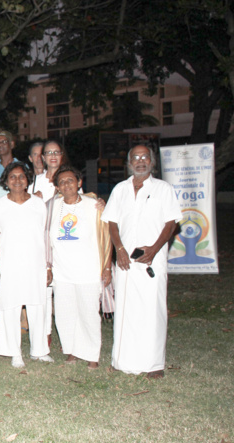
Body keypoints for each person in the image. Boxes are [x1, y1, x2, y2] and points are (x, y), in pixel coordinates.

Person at [101, 145, 180, 379]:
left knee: (152, 309)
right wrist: (119, 249)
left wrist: (154, 249)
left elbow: (171, 223)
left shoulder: (163, 189)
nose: (140, 161)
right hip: (125, 260)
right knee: (126, 309)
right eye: (135, 158)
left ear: (152, 162)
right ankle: (122, 361)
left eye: (145, 157)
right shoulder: (120, 189)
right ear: (129, 163)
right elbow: (112, 222)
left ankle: (154, 364)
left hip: (151, 260)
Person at [47, 165, 112, 369]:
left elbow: (106, 237)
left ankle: (92, 354)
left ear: (79, 183)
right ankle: (72, 352)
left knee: (89, 313)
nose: (66, 184)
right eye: (62, 182)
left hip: (89, 270)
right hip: (62, 271)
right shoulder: (52, 207)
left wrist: (107, 267)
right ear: (57, 186)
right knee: (66, 314)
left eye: (70, 180)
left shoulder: (94, 205)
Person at [0, 161, 50, 368]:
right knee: (10, 307)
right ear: (6, 180)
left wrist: (48, 265)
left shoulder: (38, 204)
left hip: (35, 263)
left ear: (28, 180)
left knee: (37, 305)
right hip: (9, 264)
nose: (17, 180)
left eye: (21, 176)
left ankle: (39, 351)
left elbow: (44, 235)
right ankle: (14, 352)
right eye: (12, 177)